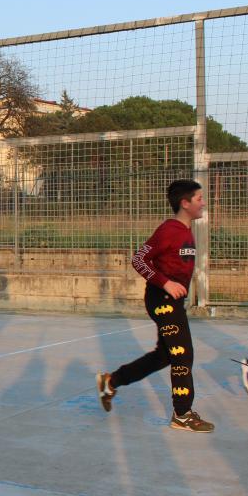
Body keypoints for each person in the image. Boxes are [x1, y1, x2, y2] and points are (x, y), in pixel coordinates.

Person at [97, 179, 214, 432]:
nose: (203, 203)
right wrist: (166, 283)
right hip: (162, 300)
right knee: (183, 354)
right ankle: (182, 414)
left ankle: (111, 381)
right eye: (199, 198)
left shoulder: (186, 231)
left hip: (173, 301)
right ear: (185, 203)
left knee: (164, 355)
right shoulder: (169, 230)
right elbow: (139, 259)